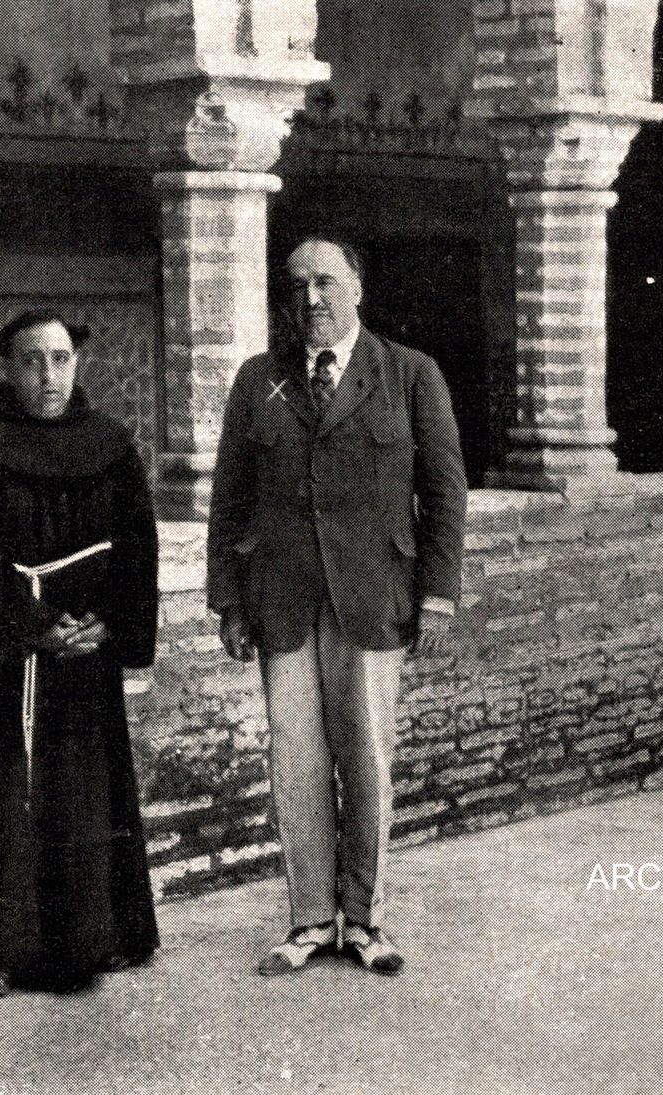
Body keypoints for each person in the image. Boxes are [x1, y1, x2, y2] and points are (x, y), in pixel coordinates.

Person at [207, 237, 467, 977]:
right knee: (295, 761)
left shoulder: (409, 374)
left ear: (358, 286)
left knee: (367, 759)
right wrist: (228, 599)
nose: (310, 299)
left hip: (374, 598)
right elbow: (229, 498)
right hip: (282, 601)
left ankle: (367, 920)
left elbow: (445, 492)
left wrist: (439, 595)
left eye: (325, 282)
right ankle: (310, 920)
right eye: (297, 286)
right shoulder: (260, 379)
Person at [0, 309, 160, 998]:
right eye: (31, 360)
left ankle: (98, 933)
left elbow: (136, 547)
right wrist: (33, 625)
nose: (47, 375)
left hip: (85, 653)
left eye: (59, 358)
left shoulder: (111, 446)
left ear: (77, 362)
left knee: (83, 792)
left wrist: (107, 626)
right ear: (8, 367)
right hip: (0, 657)